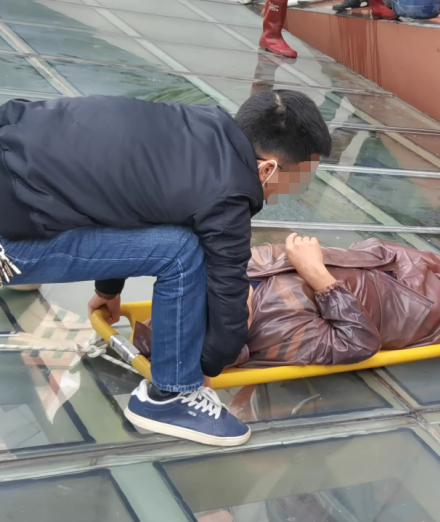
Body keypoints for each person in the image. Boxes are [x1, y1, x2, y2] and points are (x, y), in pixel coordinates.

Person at [0, 91, 332, 446]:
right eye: (299, 181)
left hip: (15, 177)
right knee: (182, 251)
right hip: (10, 242)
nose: (295, 191)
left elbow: (123, 205)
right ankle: (170, 397)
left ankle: (25, 261)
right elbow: (228, 291)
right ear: (267, 168)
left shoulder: (198, 126)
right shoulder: (228, 192)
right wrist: (207, 365)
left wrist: (108, 289)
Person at [133, 234, 440, 367]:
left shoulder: (234, 279)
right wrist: (320, 278)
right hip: (411, 310)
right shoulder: (277, 338)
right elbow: (358, 342)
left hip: (383, 263)